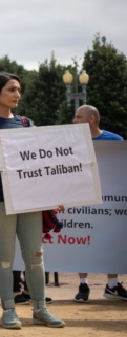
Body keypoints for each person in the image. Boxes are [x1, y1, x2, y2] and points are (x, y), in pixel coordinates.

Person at [0, 72, 65, 329]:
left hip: (29, 200)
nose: (17, 94)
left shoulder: (26, 123)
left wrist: (52, 196)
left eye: (18, 90)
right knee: (5, 257)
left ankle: (40, 309)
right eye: (11, 90)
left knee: (35, 255)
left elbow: (40, 165)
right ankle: (9, 310)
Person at [72, 104, 126, 302]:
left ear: (91, 119)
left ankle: (112, 285)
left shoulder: (115, 141)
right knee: (81, 240)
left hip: (108, 200)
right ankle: (83, 284)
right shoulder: (72, 141)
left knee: (109, 240)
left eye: (78, 117)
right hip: (81, 197)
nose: (75, 121)